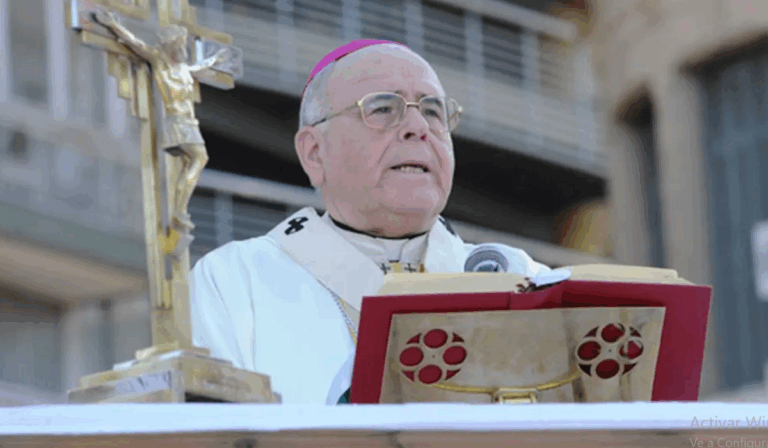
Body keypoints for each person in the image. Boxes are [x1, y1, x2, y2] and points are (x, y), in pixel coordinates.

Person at [190, 40, 550, 405]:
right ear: (315, 153)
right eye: (382, 109)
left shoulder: (519, 278)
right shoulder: (236, 283)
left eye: (433, 111)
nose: (417, 126)